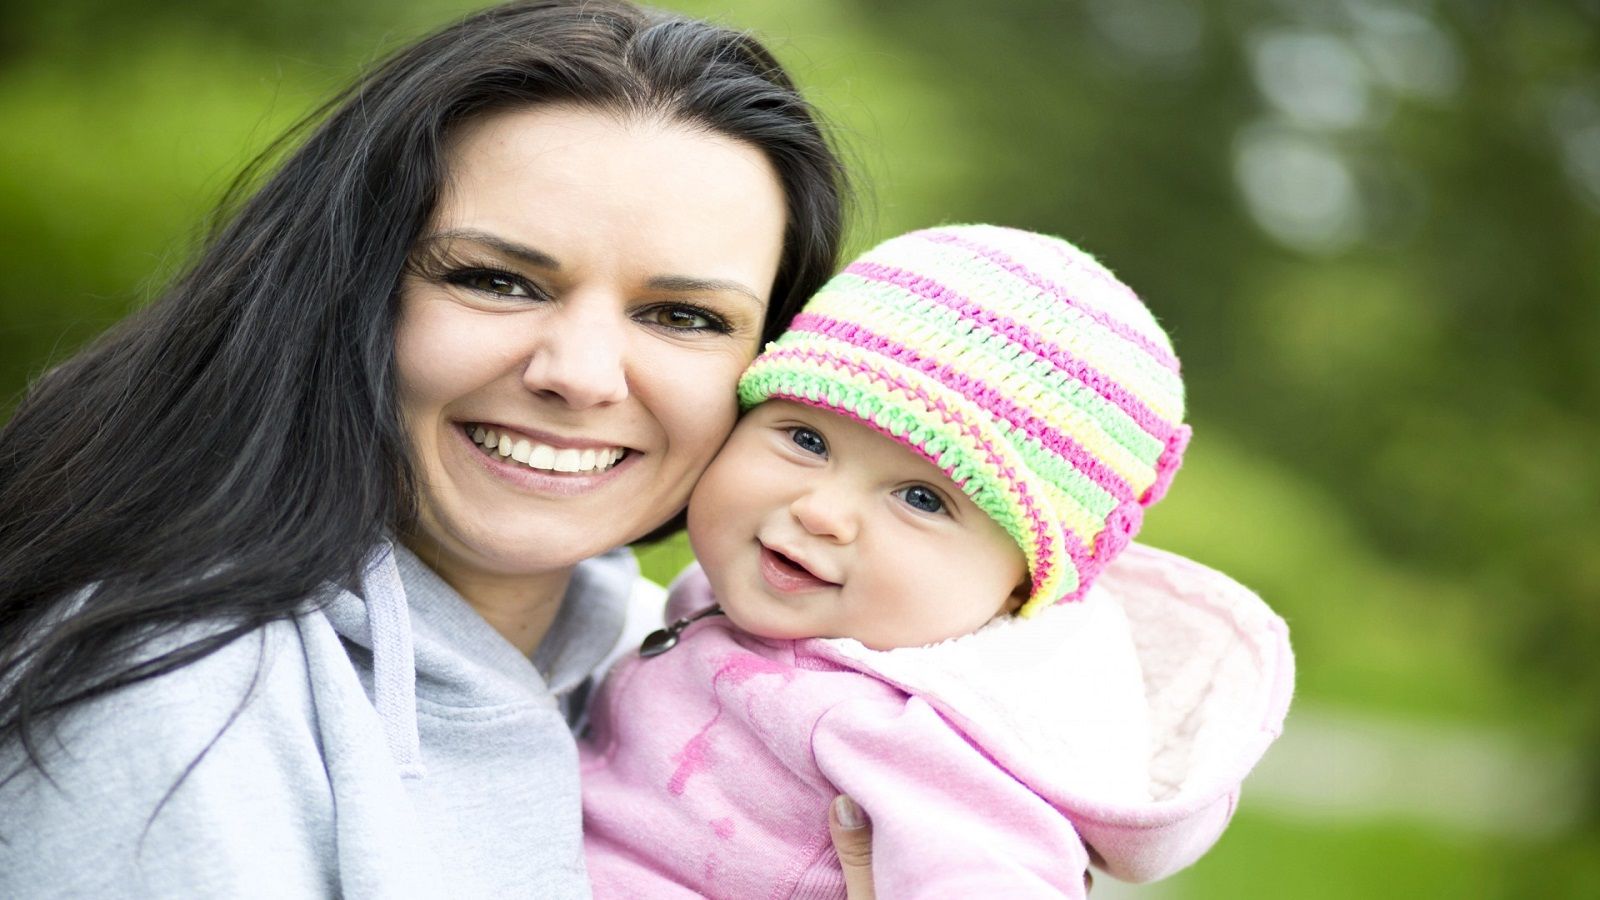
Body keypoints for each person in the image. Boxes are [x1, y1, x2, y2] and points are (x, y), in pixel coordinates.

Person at [0, 1, 865, 896]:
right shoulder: (171, 702)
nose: (580, 374)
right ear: (343, 288)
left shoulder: (725, 689)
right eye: (496, 280)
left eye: (684, 317)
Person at [580, 224, 1296, 897]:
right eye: (806, 439)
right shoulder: (736, 604)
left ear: (1021, 587)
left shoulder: (920, 741)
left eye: (922, 498)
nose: (822, 512)